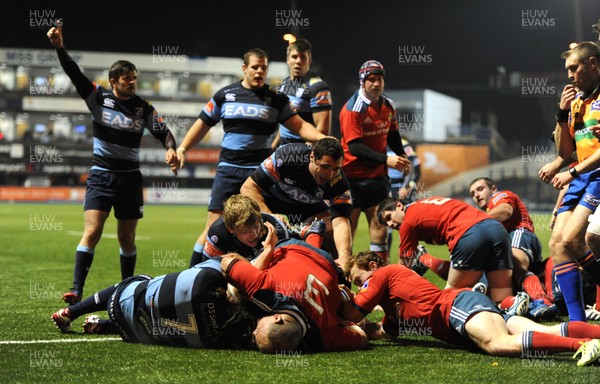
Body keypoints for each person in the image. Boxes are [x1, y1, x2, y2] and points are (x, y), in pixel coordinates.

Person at [47, 23, 179, 305]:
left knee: (126, 239)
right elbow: (73, 73)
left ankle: (125, 291)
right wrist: (59, 47)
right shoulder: (97, 97)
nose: (132, 82)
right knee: (92, 231)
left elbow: (164, 132)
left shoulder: (143, 108)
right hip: (102, 177)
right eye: (127, 78)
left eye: (134, 77)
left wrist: (171, 150)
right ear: (114, 80)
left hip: (130, 179)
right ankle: (76, 289)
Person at [176, 48, 327, 267]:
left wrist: (323, 140)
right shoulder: (225, 94)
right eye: (255, 67)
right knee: (212, 226)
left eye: (263, 67)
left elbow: (300, 126)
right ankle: (193, 274)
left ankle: (264, 274)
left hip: (259, 174)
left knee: (265, 225)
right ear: (244, 68)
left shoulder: (276, 99)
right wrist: (182, 148)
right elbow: (203, 123)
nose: (259, 71)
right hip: (228, 168)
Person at [341, 251, 600, 366]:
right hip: (465, 309)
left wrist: (338, 301)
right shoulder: (393, 308)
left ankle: (582, 346)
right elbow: (382, 331)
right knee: (551, 331)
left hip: (456, 307)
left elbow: (352, 313)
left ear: (372, 267)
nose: (361, 286)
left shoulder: (383, 273)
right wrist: (359, 328)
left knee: (498, 344)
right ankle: (593, 337)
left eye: (359, 280)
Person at [51, 259, 258, 350]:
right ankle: (104, 326)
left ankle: (71, 311)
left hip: (121, 303)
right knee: (170, 323)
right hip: (133, 334)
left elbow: (225, 262)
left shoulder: (208, 277)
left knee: (143, 281)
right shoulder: (230, 338)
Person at [221, 235, 367, 353]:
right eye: (257, 330)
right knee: (236, 291)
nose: (253, 332)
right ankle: (311, 234)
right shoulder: (266, 288)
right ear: (277, 318)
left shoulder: (324, 337)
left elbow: (362, 337)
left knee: (239, 292)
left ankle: (314, 235)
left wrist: (342, 322)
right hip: (293, 248)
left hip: (326, 264)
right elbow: (227, 262)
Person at [240, 137, 353, 270]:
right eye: (325, 167)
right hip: (272, 204)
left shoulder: (339, 181)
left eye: (336, 169)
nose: (329, 174)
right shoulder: (288, 156)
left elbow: (341, 221)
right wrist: (271, 218)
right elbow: (248, 188)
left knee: (332, 234)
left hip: (306, 209)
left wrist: (344, 255)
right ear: (312, 157)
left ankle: (338, 284)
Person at [376, 196, 513, 304]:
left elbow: (403, 267)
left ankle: (472, 293)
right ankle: (513, 306)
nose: (390, 224)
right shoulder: (426, 202)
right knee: (501, 296)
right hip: (496, 229)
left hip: (469, 234)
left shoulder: (408, 222)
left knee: (451, 298)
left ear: (399, 205)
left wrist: (387, 296)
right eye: (386, 224)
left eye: (389, 217)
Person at [339, 60, 411, 264]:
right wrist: (387, 159)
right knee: (347, 234)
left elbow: (393, 135)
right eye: (371, 80)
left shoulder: (388, 105)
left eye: (379, 79)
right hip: (351, 179)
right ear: (362, 82)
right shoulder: (353, 109)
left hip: (378, 178)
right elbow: (355, 147)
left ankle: (379, 279)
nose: (377, 84)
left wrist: (401, 155)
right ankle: (343, 281)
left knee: (380, 228)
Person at [549, 41, 600, 322]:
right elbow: (564, 151)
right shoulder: (578, 102)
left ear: (592, 64)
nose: (570, 75)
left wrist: (571, 172)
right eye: (567, 69)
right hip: (581, 173)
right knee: (557, 244)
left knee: (574, 239)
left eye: (574, 67)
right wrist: (561, 112)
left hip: (595, 173)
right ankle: (578, 324)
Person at [468, 177, 557, 320]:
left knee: (516, 266)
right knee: (497, 286)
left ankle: (544, 302)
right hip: (514, 243)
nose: (476, 195)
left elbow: (506, 211)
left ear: (494, 189)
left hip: (519, 234)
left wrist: (473, 222)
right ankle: (529, 302)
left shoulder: (499, 197)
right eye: (472, 193)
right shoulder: (488, 213)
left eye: (480, 189)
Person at [272, 38, 331, 147]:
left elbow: (323, 129)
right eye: (294, 57)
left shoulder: (318, 87)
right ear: (287, 59)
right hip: (282, 152)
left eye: (303, 57)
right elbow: (285, 122)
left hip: (303, 155)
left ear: (309, 60)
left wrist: (302, 154)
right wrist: (273, 147)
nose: (298, 61)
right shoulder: (285, 84)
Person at [201, 194, 290, 266]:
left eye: (256, 226)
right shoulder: (218, 235)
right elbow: (210, 272)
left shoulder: (276, 227)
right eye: (245, 231)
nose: (254, 234)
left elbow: (282, 270)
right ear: (230, 228)